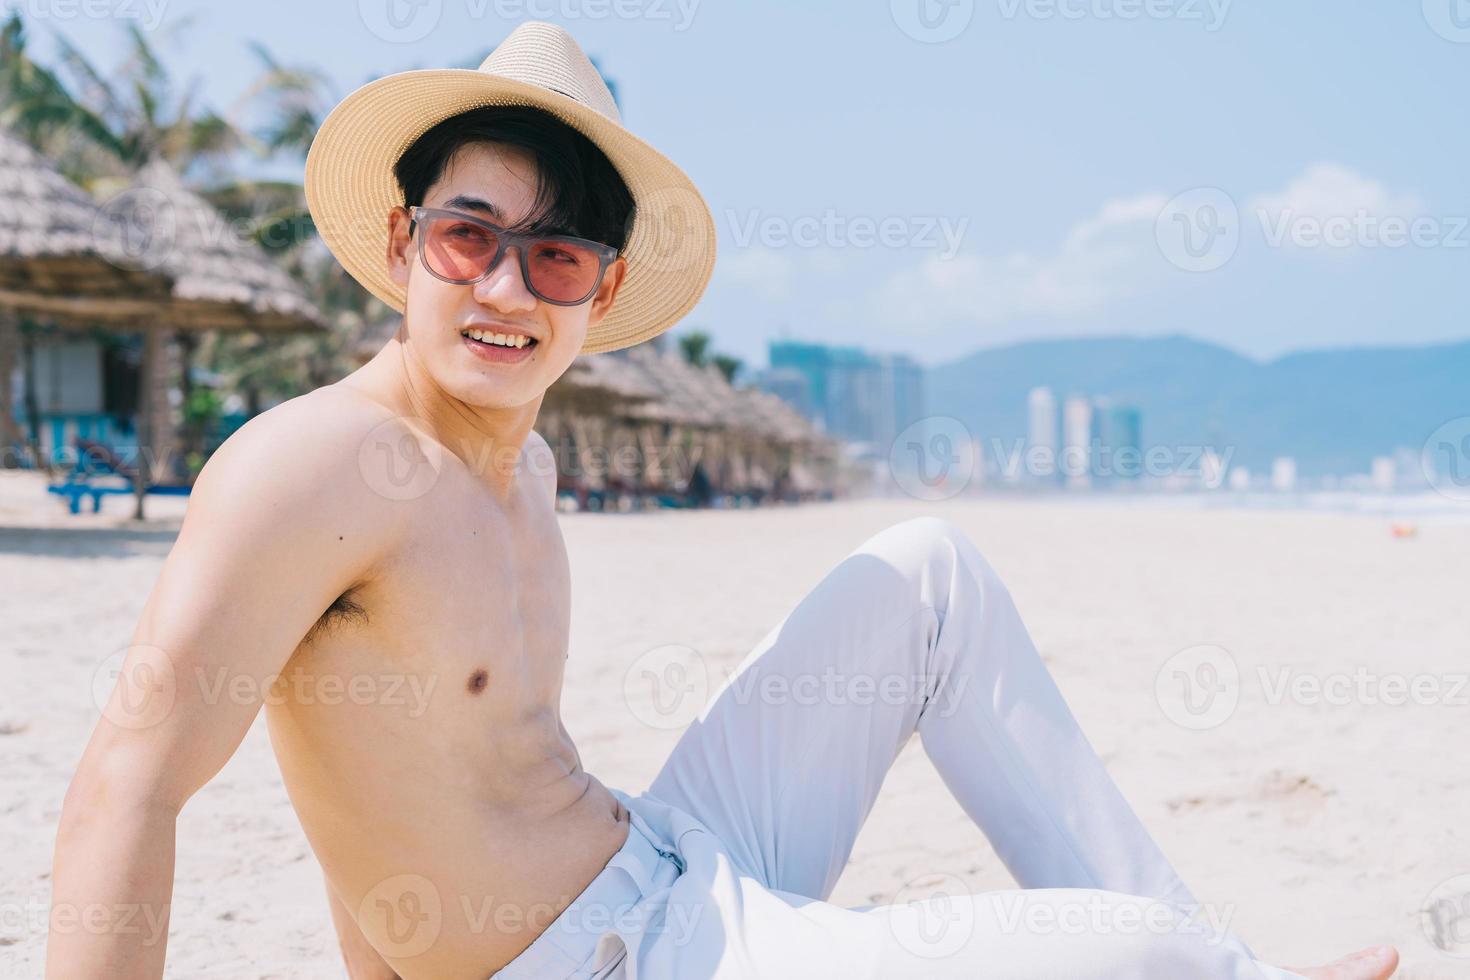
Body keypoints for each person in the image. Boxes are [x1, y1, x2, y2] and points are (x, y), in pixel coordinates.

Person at [46, 21, 1400, 980]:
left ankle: (1242, 970)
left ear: (606, 294)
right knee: (1137, 961)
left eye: (558, 257)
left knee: (927, 569)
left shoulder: (530, 465)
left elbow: (416, 788)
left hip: (668, 857)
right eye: (470, 237)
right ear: (403, 243)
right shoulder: (318, 461)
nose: (507, 289)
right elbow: (128, 780)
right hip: (626, 958)